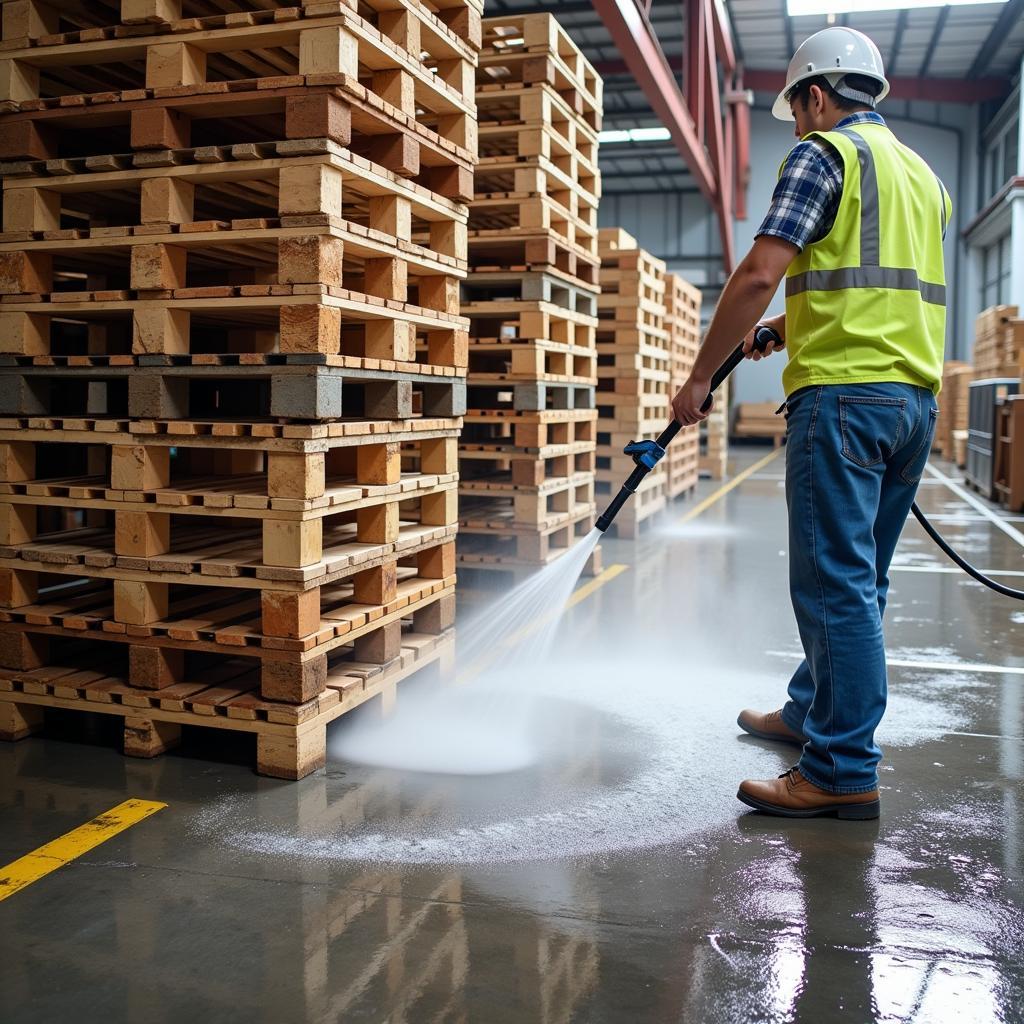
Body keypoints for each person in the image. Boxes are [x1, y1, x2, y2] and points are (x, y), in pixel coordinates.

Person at [671, 27, 951, 819]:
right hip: (909, 405)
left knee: (834, 585)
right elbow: (877, 288)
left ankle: (839, 770)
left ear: (818, 96)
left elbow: (763, 268)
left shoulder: (825, 156)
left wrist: (699, 378)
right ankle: (811, 715)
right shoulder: (922, 177)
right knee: (860, 582)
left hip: (844, 403)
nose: (795, 125)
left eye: (797, 109)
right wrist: (786, 330)